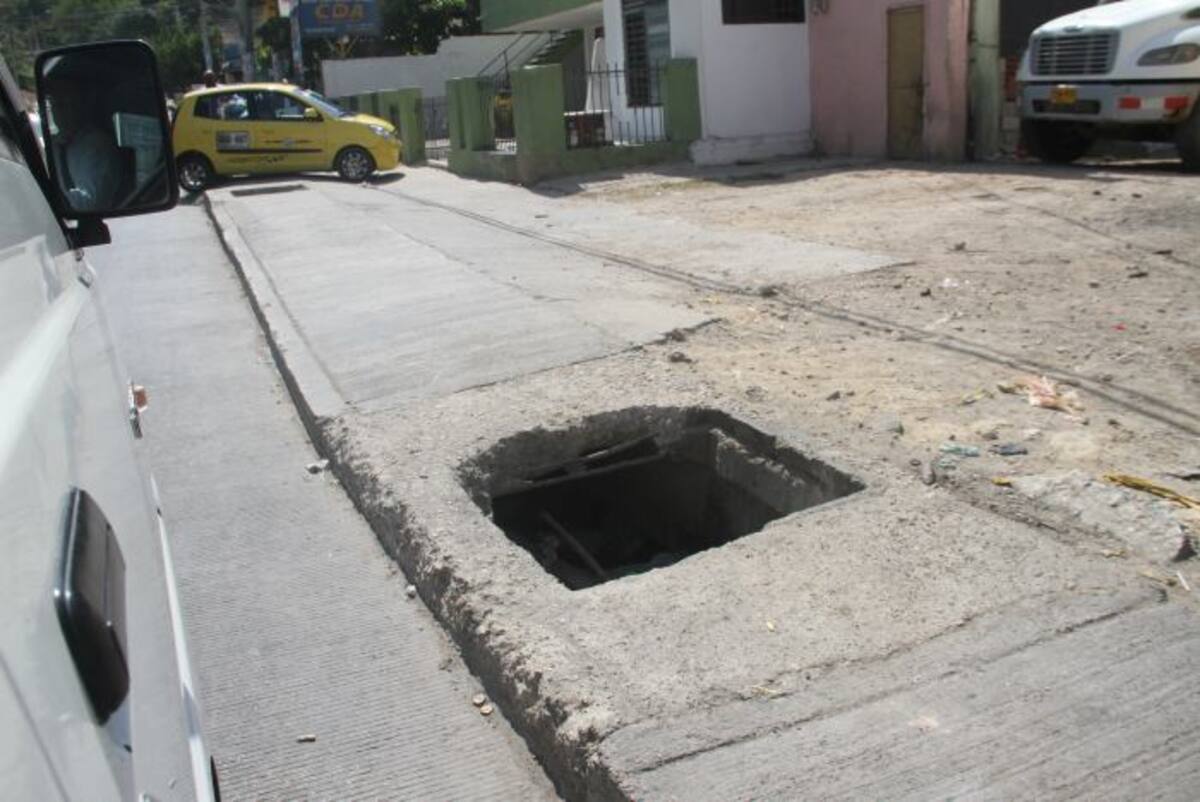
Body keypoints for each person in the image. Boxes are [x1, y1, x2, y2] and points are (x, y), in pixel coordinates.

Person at [45, 82, 122, 212]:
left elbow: (91, 204)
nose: (63, 111)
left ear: (81, 107)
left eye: (70, 104)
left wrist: (48, 197)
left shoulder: (97, 144)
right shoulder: (51, 145)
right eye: (57, 105)